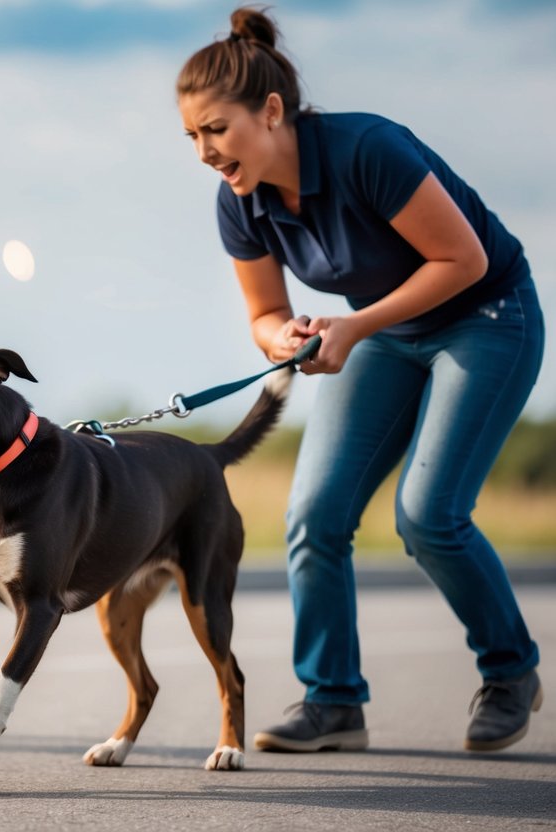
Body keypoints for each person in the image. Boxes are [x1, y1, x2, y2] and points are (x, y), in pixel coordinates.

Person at [176, 6, 544, 753]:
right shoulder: (239, 202)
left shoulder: (365, 149)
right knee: (313, 513)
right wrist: (289, 336)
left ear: (270, 111)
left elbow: (463, 262)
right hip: (384, 331)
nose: (204, 151)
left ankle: (509, 672)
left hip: (486, 315)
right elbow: (266, 313)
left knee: (427, 514)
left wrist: (352, 326)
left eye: (215, 129)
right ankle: (333, 701)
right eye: (191, 136)